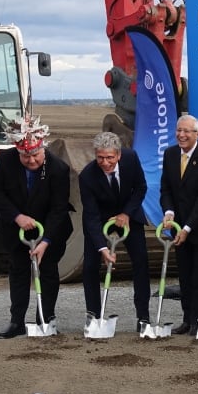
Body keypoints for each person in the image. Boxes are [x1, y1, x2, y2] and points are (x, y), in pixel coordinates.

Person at [0, 115, 74, 339]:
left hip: (50, 228)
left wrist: (45, 242)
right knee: (18, 271)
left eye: (35, 155)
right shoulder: (5, 160)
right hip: (16, 228)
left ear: (42, 149)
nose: (32, 161)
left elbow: (59, 209)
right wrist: (17, 217)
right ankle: (16, 321)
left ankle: (45, 319)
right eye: (26, 157)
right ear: (18, 152)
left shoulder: (58, 169)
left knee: (47, 272)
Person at [79, 131, 151, 332]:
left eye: (110, 157)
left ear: (118, 155)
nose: (105, 162)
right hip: (99, 220)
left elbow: (140, 188)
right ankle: (94, 316)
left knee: (141, 262)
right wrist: (102, 248)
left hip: (128, 216)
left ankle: (143, 317)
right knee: (90, 267)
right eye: (100, 157)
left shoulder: (131, 158)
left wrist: (126, 213)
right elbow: (91, 215)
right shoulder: (87, 176)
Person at [160, 115, 198, 336]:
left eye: (187, 131)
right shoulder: (170, 154)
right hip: (178, 228)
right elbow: (166, 188)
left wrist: (187, 228)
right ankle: (186, 319)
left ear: (197, 135)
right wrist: (169, 213)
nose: (182, 135)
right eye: (179, 130)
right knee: (184, 275)